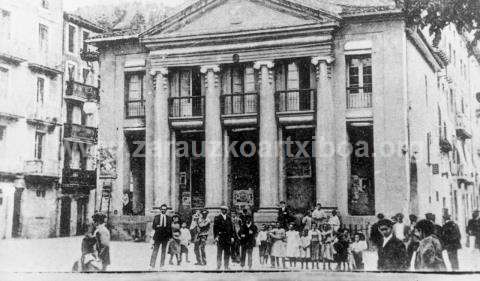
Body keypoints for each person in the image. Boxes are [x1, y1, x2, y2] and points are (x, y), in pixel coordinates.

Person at [150, 204, 172, 269]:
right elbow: (153, 226)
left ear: (166, 210)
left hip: (165, 237)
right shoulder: (156, 217)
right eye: (162, 209)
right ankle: (152, 265)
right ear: (160, 209)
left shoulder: (169, 218)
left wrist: (170, 237)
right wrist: (157, 226)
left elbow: (170, 229)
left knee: (163, 251)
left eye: (164, 209)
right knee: (155, 250)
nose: (163, 210)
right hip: (158, 236)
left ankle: (162, 266)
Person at [213, 205, 235, 270]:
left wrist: (232, 237)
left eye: (225, 210)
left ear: (226, 211)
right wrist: (216, 237)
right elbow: (215, 228)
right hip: (220, 237)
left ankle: (226, 266)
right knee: (219, 253)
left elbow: (231, 229)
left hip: (227, 238)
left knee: (227, 253)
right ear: (221, 210)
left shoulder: (228, 218)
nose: (224, 211)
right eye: (222, 210)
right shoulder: (217, 218)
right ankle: (218, 266)